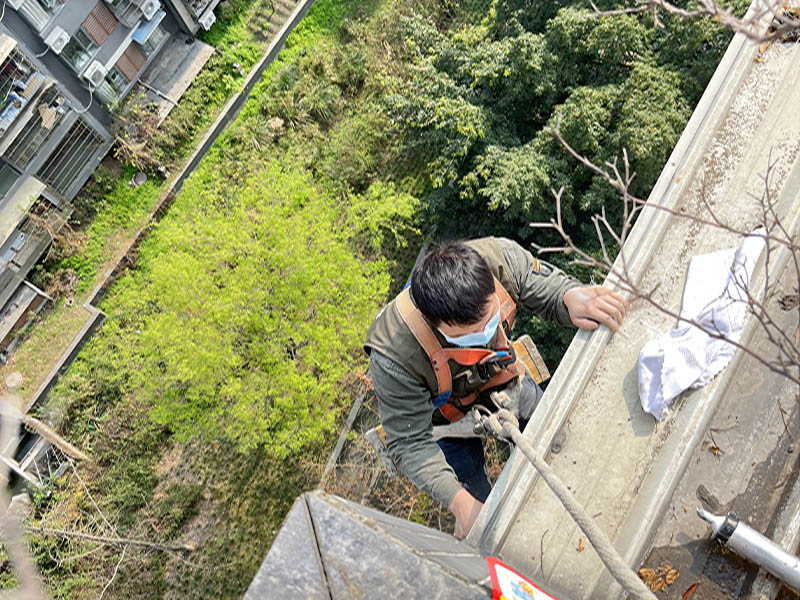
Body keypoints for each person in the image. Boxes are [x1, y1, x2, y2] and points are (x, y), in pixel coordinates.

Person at [364, 237, 627, 539]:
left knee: (559, 442)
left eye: (490, 321)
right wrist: (460, 503)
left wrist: (567, 295)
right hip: (446, 421)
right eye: (472, 334)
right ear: (436, 325)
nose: (487, 332)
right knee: (479, 507)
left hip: (503, 379)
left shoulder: (497, 259)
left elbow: (540, 283)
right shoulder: (394, 356)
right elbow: (410, 442)